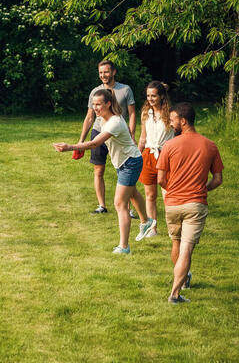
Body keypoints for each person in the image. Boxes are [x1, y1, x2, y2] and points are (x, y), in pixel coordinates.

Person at [55, 88, 153, 253]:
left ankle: (124, 246)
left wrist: (70, 147)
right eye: (93, 104)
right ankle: (146, 222)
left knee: (120, 203)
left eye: (99, 104)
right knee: (132, 192)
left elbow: (94, 143)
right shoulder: (104, 120)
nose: (95, 108)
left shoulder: (114, 122)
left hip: (130, 162)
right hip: (124, 162)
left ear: (108, 103)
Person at [156, 102, 224, 303]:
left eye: (172, 120)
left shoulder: (169, 145)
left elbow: (160, 179)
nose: (170, 123)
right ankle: (175, 294)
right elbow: (218, 179)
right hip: (195, 204)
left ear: (183, 121)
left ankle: (184, 279)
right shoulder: (210, 145)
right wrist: (203, 189)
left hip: (172, 204)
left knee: (176, 243)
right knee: (186, 247)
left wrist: (174, 190)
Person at [77, 60, 138, 216]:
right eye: (100, 72)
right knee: (99, 170)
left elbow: (131, 114)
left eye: (106, 72)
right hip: (99, 132)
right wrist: (81, 140)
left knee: (123, 169)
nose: (103, 75)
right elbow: (89, 117)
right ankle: (102, 206)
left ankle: (129, 208)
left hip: (117, 133)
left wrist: (131, 134)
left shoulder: (125, 89)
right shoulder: (95, 92)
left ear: (114, 72)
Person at [136, 81, 175, 240]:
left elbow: (178, 136)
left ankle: (173, 228)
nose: (150, 99)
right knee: (150, 195)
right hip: (148, 155)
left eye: (153, 96)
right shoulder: (146, 112)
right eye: (148, 96)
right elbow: (143, 137)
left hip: (165, 155)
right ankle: (153, 227)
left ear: (162, 96)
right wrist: (136, 155)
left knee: (168, 194)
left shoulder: (171, 114)